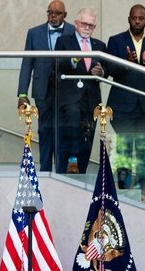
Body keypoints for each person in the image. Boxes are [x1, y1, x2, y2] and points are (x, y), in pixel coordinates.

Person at [106, 4, 145, 202]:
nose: (137, 21)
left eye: (141, 18)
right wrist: (127, 62)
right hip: (122, 105)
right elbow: (111, 69)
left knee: (143, 148)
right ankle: (122, 189)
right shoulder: (116, 41)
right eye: (134, 18)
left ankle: (143, 191)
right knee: (125, 146)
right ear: (128, 18)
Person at [17, 0, 75, 172]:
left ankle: (62, 172)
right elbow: (27, 63)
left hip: (66, 91)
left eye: (57, 13)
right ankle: (45, 171)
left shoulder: (73, 31)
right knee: (44, 130)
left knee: (63, 131)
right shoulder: (34, 33)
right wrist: (22, 94)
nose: (53, 16)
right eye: (50, 12)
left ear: (65, 15)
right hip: (42, 90)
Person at [54, 7, 107, 174]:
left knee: (88, 135)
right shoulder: (64, 41)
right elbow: (57, 65)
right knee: (71, 130)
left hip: (91, 98)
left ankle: (81, 170)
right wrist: (74, 58)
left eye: (91, 26)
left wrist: (102, 72)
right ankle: (71, 161)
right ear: (76, 23)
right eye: (85, 24)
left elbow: (108, 68)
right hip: (70, 97)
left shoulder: (99, 45)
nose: (87, 28)